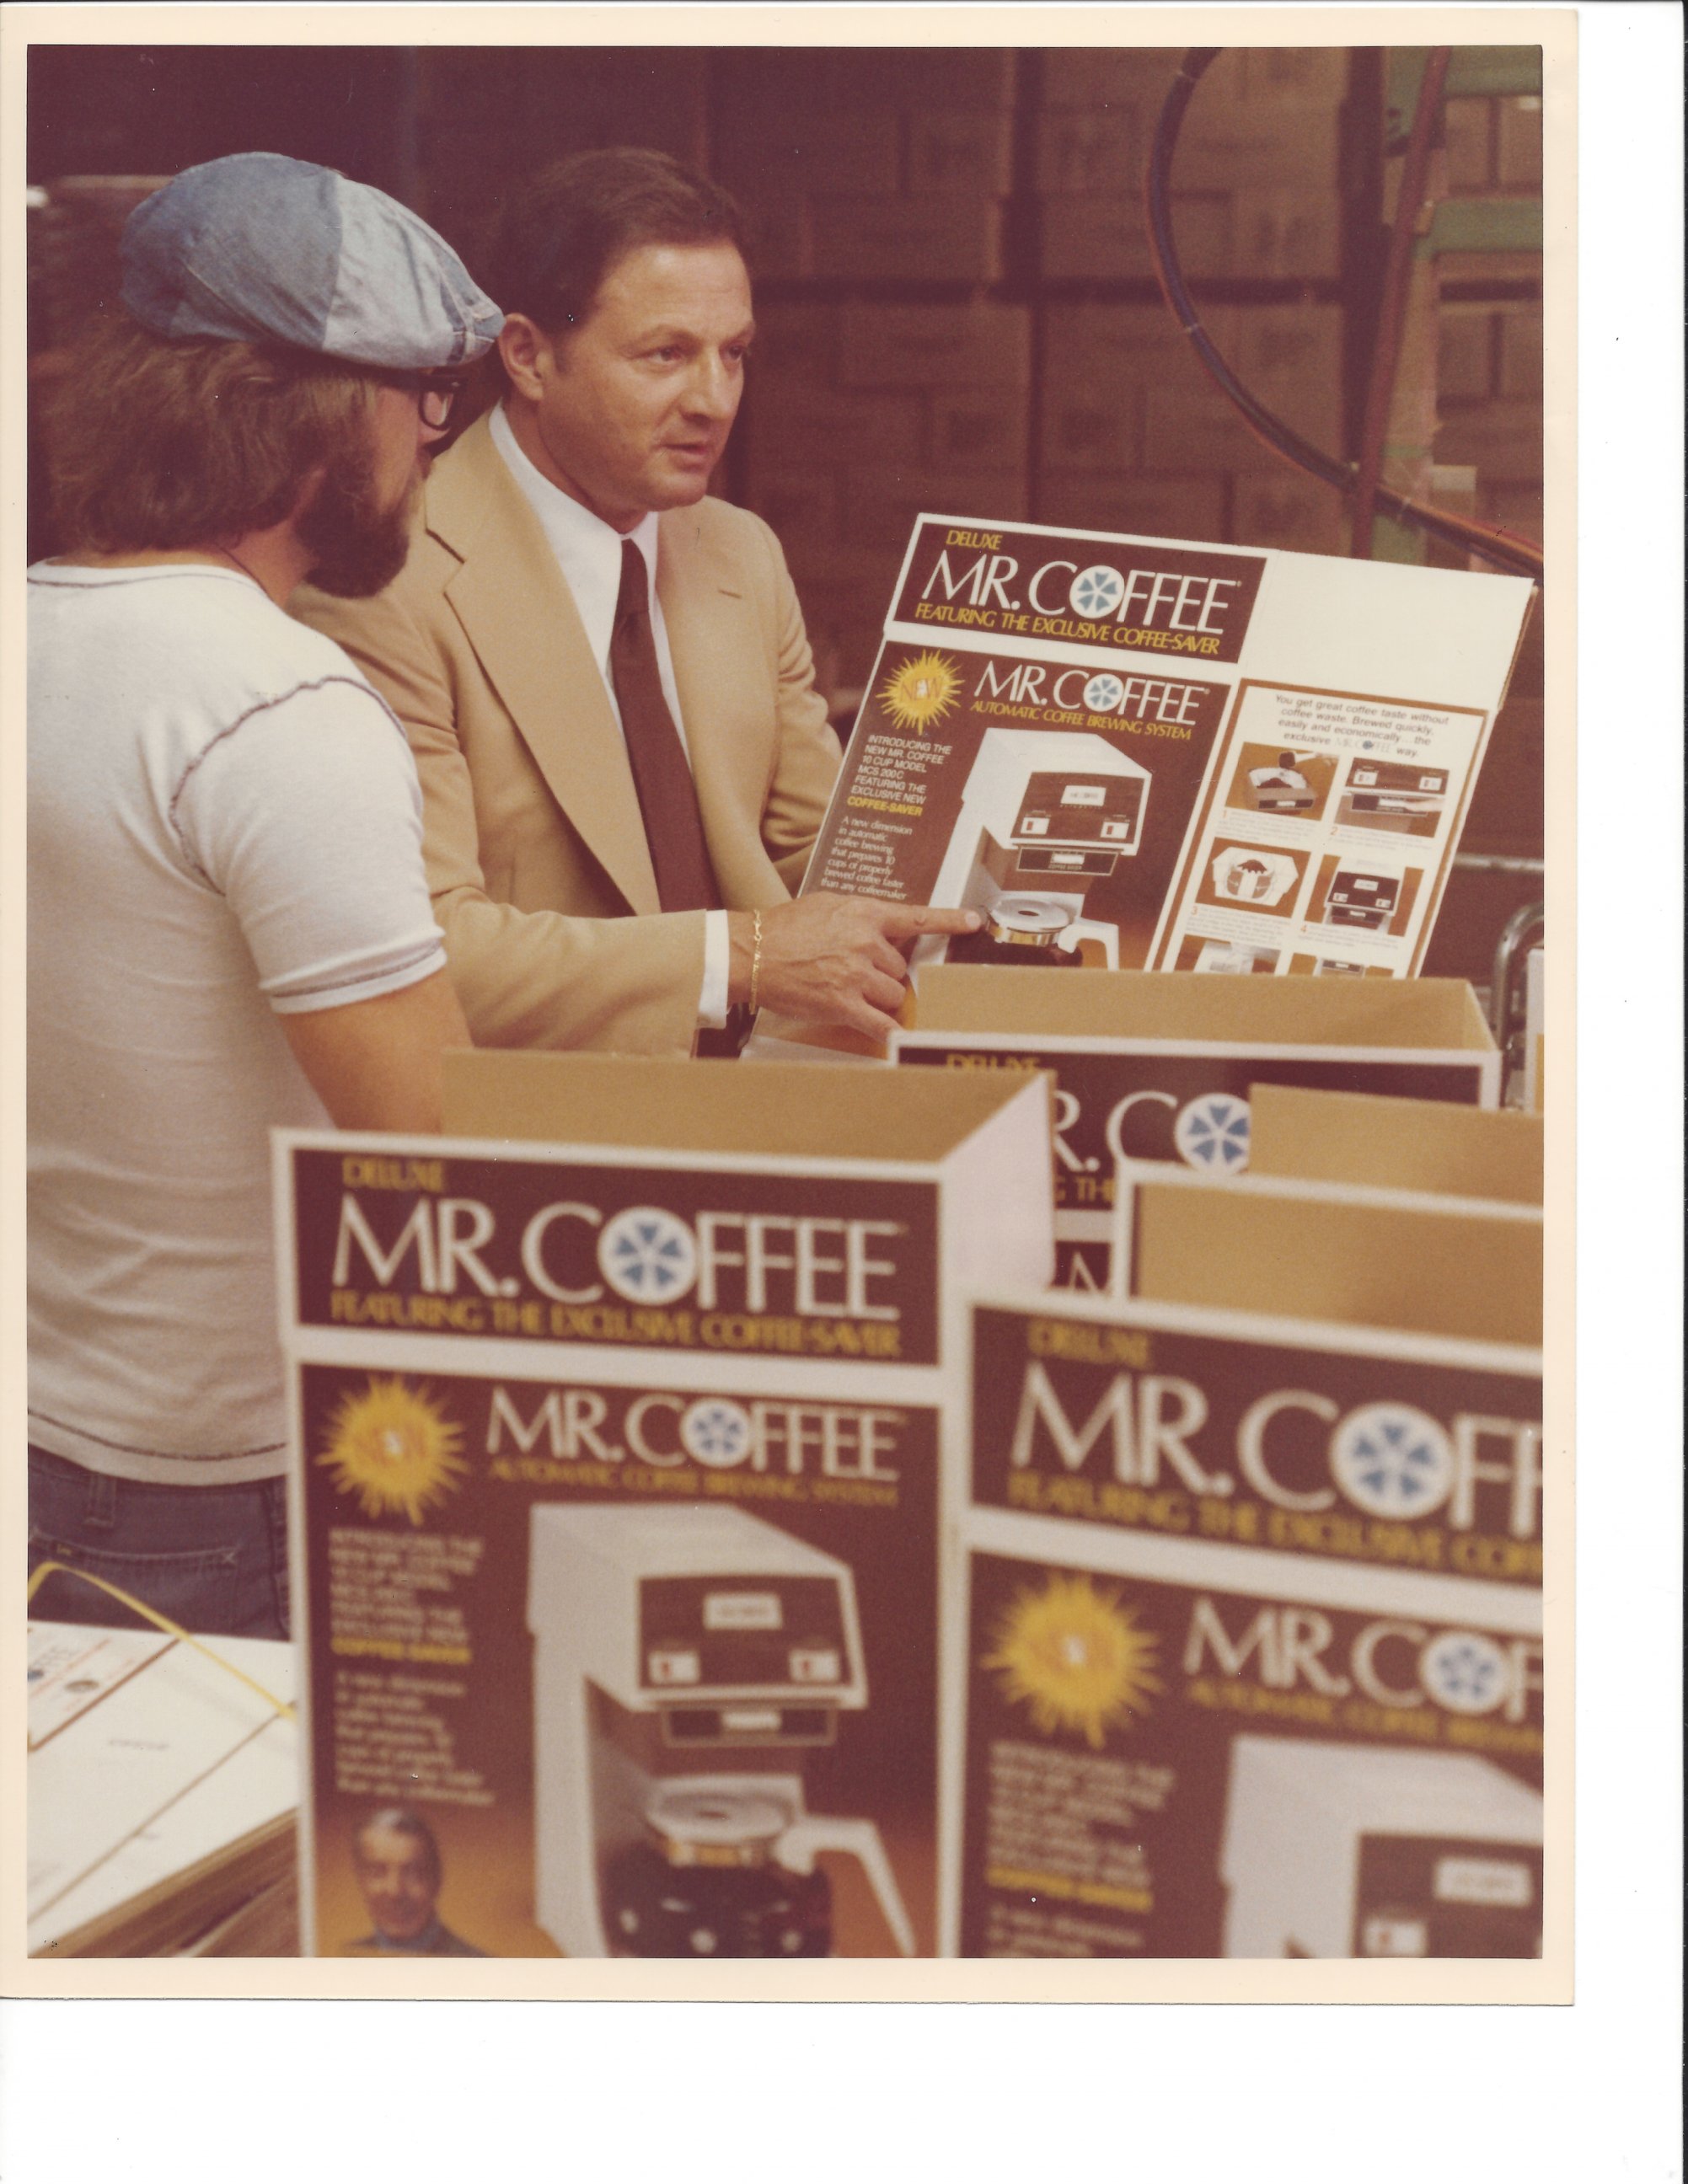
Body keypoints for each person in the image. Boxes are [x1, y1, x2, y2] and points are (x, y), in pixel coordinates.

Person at [27, 153, 499, 1641]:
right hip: (218, 1499)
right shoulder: (278, 704)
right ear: (307, 413)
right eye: (422, 400)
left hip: (41, 1432)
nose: (435, 442)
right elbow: (432, 1158)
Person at [295, 147, 978, 1057]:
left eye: (732, 356)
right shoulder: (385, 575)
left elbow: (823, 853)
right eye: (665, 355)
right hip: (549, 1128)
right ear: (530, 357)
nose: (713, 400)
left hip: (771, 1088)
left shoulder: (740, 552)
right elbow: (422, 954)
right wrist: (744, 955)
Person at [346, 1807, 486, 1957]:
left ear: (436, 1880)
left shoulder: (480, 1966)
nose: (395, 1891)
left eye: (413, 1873)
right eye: (377, 1873)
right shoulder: (347, 1958)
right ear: (361, 1879)